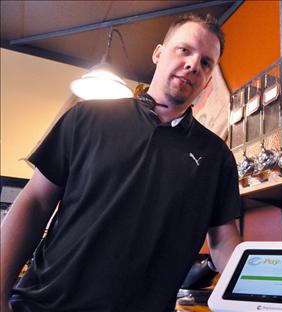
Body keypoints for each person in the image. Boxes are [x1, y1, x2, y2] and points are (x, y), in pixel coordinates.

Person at [1, 13, 242, 312]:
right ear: (158, 53)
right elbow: (35, 202)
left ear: (207, 79)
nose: (193, 64)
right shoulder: (87, 117)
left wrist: (263, 294)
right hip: (44, 304)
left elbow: (222, 242)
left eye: (206, 62)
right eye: (184, 50)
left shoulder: (217, 157)